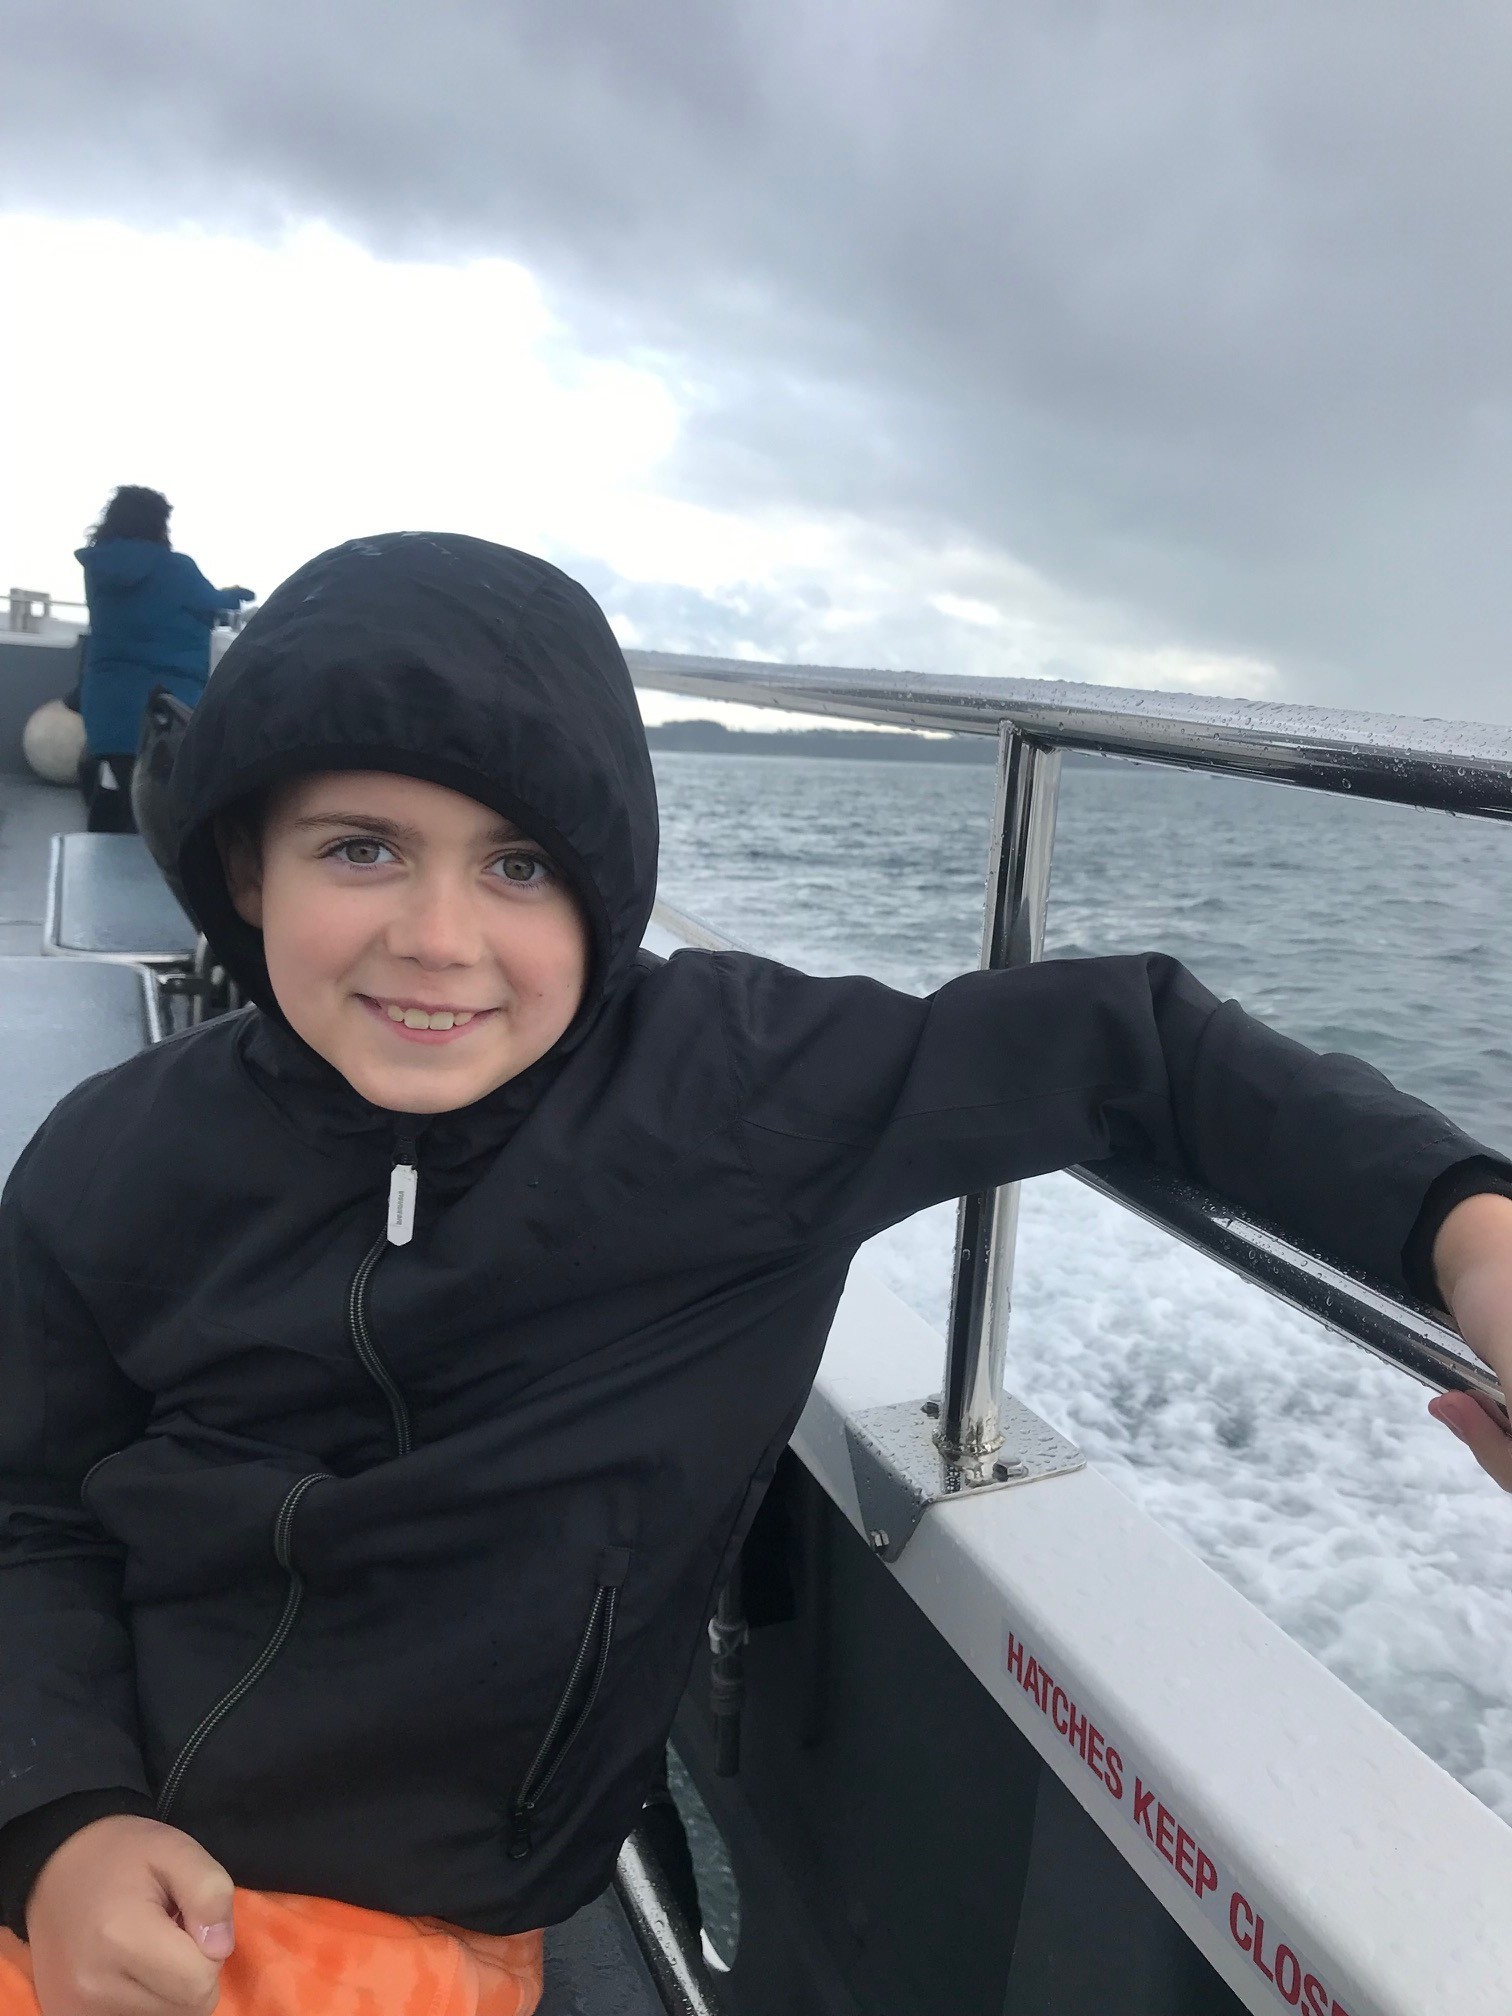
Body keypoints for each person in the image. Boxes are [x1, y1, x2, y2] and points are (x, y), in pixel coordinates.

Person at [0, 533, 1508, 2016]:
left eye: (519, 864)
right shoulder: (115, 1155)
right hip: (82, 1831)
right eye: (361, 849)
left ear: (606, 885)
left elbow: (1142, 1047)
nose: (438, 938)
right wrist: (57, 1826)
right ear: (246, 866)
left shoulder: (734, 1098)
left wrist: (1469, 1232)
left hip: (398, 1910)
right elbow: (27, 1510)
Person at [74, 486, 253, 833]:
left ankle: (97, 855)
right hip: (164, 709)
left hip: (106, 705)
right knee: (159, 813)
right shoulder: (177, 568)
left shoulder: (99, 568)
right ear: (159, 523)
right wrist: (235, 595)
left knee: (115, 787)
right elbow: (211, 603)